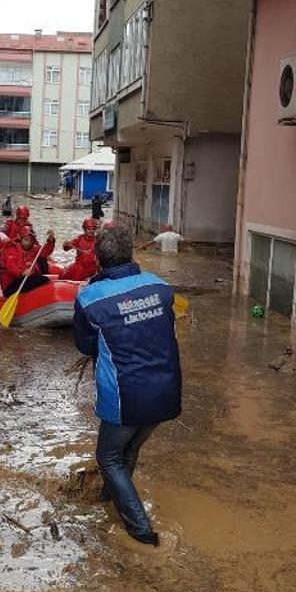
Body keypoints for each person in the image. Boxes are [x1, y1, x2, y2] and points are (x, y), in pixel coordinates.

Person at [73, 223, 181, 545]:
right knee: (128, 449)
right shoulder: (161, 287)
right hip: (166, 391)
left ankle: (141, 530)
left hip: (125, 396)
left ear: (97, 258)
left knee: (108, 457)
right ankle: (109, 501)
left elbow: (84, 345)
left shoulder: (90, 298)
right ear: (131, 253)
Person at [0, 226, 56, 296]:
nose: (28, 243)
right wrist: (21, 273)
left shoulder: (33, 249)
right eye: (26, 240)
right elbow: (10, 266)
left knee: (43, 278)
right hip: (11, 285)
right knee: (40, 279)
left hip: (25, 279)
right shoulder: (11, 249)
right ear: (21, 239)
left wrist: (50, 240)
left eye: (30, 241)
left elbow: (46, 252)